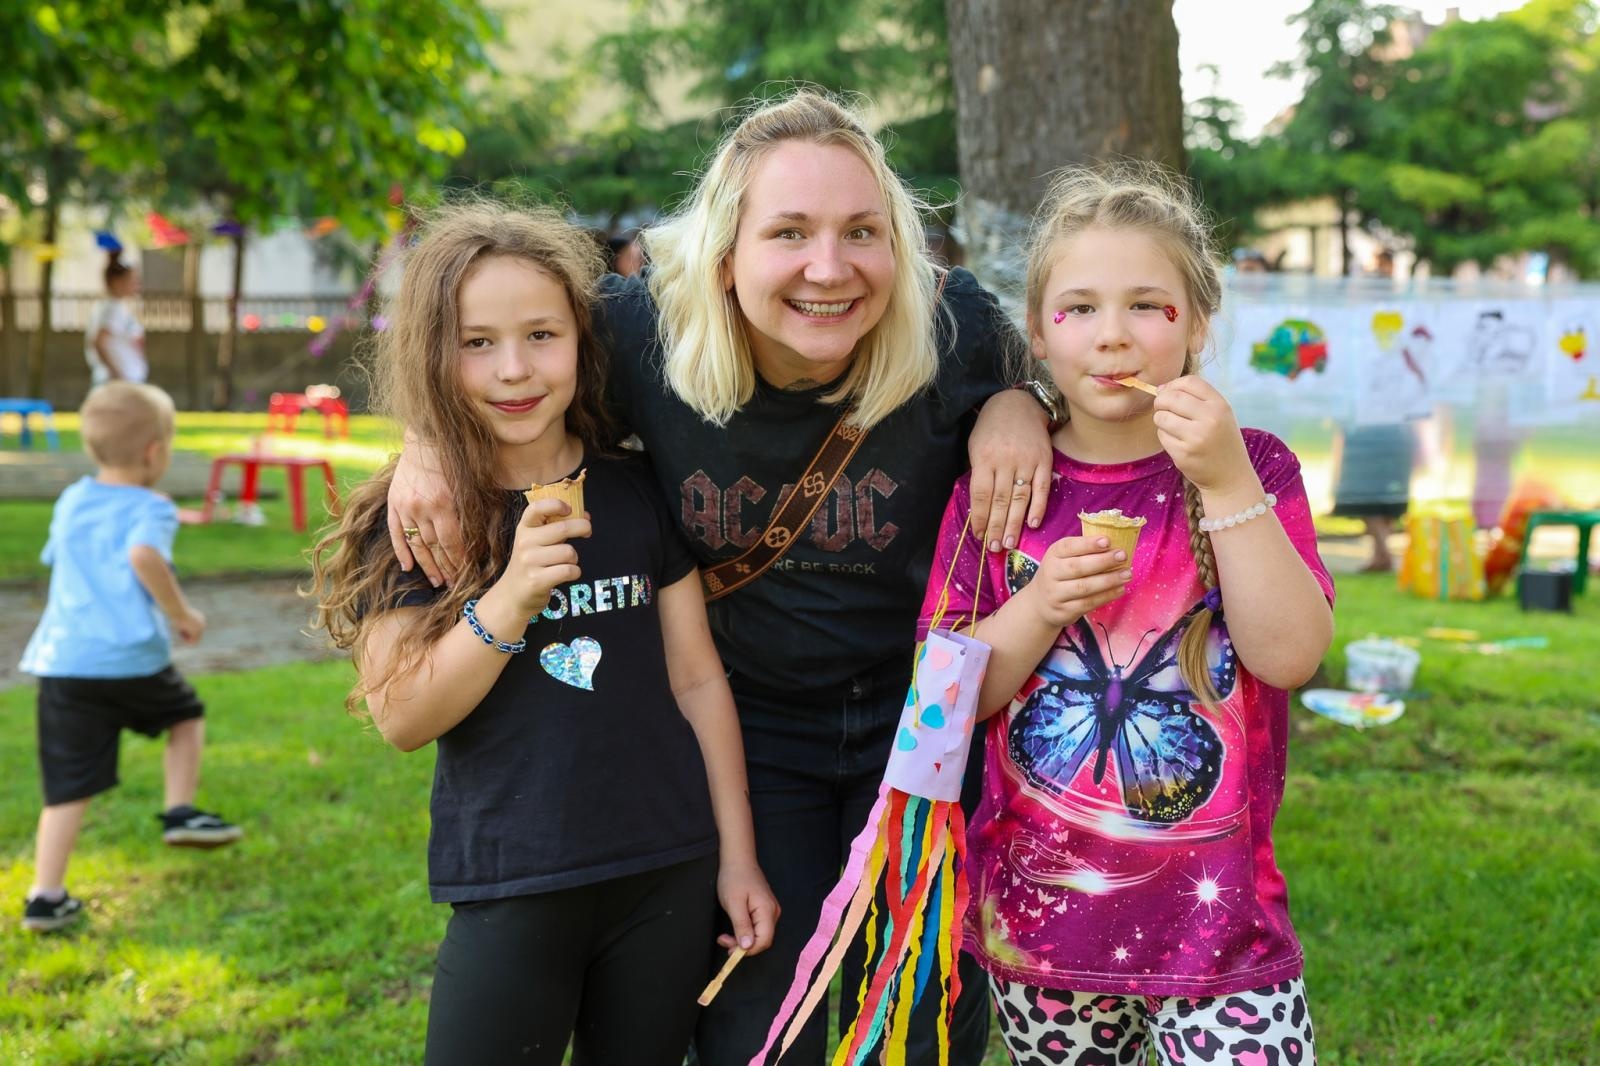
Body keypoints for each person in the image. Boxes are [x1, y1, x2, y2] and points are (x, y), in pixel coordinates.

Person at [385, 90, 1055, 1065]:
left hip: (924, 721)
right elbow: (498, 351)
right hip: (749, 727)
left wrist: (1017, 403)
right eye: (789, 232)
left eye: (861, 232)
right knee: (755, 1019)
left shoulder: (953, 326)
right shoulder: (639, 333)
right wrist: (422, 443)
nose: (829, 268)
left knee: (919, 1015)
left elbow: (1063, 373)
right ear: (724, 251)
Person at [309, 202, 778, 1065]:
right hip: (512, 883)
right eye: (476, 342)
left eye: (541, 335)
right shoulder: (417, 518)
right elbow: (403, 717)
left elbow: (697, 682)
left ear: (581, 343)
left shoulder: (637, 491)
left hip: (665, 874)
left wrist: (737, 859)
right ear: (430, 353)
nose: (514, 370)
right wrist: (512, 595)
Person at [920, 163, 1333, 1065]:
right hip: (1045, 930)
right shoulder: (1000, 489)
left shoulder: (1254, 467)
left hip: (1223, 931)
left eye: (1147, 306)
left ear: (1196, 326)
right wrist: (1037, 608)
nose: (1113, 337)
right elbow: (939, 703)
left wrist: (1224, 479)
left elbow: (1292, 654)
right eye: (1077, 310)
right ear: (1036, 333)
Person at [18, 382, 242, 933]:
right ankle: (180, 811)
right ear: (155, 453)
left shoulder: (72, 499)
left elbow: (62, 555)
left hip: (63, 663)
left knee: (67, 786)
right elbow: (142, 556)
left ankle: (46, 897)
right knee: (184, 717)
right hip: (128, 659)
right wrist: (182, 614)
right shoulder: (153, 508)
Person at [84, 250, 147, 386]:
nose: (137, 285)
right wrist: (117, 374)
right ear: (117, 281)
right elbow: (98, 342)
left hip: (123, 378)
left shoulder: (113, 306)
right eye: (133, 279)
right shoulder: (112, 309)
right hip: (120, 380)